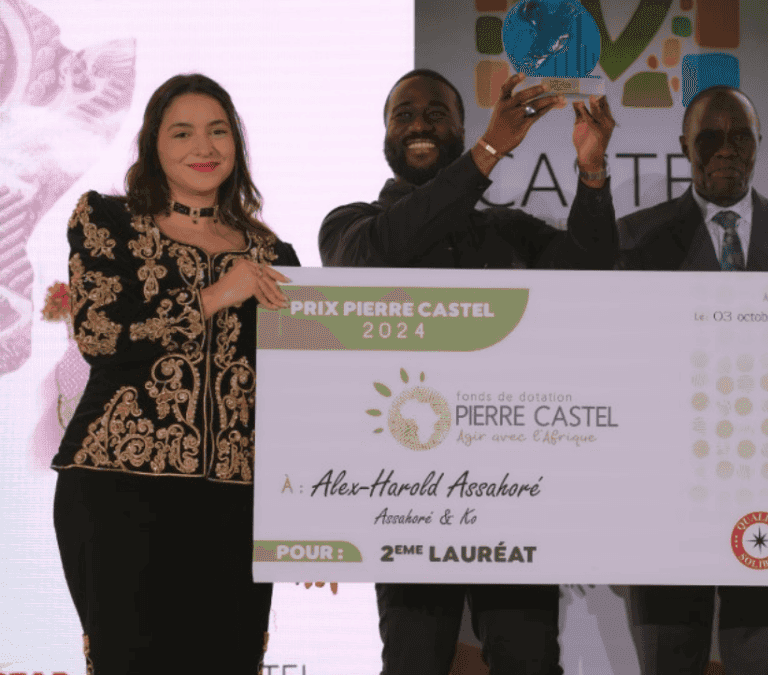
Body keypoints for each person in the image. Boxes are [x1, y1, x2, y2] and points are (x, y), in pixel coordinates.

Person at [319, 68, 617, 675]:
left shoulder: (507, 231)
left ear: (458, 130)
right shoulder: (351, 227)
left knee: (530, 662)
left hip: (510, 494)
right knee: (414, 662)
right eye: (404, 113)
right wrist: (489, 149)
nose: (420, 123)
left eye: (437, 113)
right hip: (402, 498)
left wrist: (591, 172)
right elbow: (379, 258)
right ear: (385, 132)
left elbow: (590, 276)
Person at [53, 73, 299, 673]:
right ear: (153, 144)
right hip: (118, 491)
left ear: (236, 143)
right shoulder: (108, 221)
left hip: (236, 506)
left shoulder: (274, 257)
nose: (203, 147)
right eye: (182, 132)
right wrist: (216, 295)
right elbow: (100, 336)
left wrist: (312, 521)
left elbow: (296, 396)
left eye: (218, 131)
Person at [617, 85, 768, 675]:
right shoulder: (636, 237)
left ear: (759, 142)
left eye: (740, 136)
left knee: (758, 663)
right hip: (666, 491)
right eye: (710, 137)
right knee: (667, 662)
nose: (725, 149)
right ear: (684, 145)